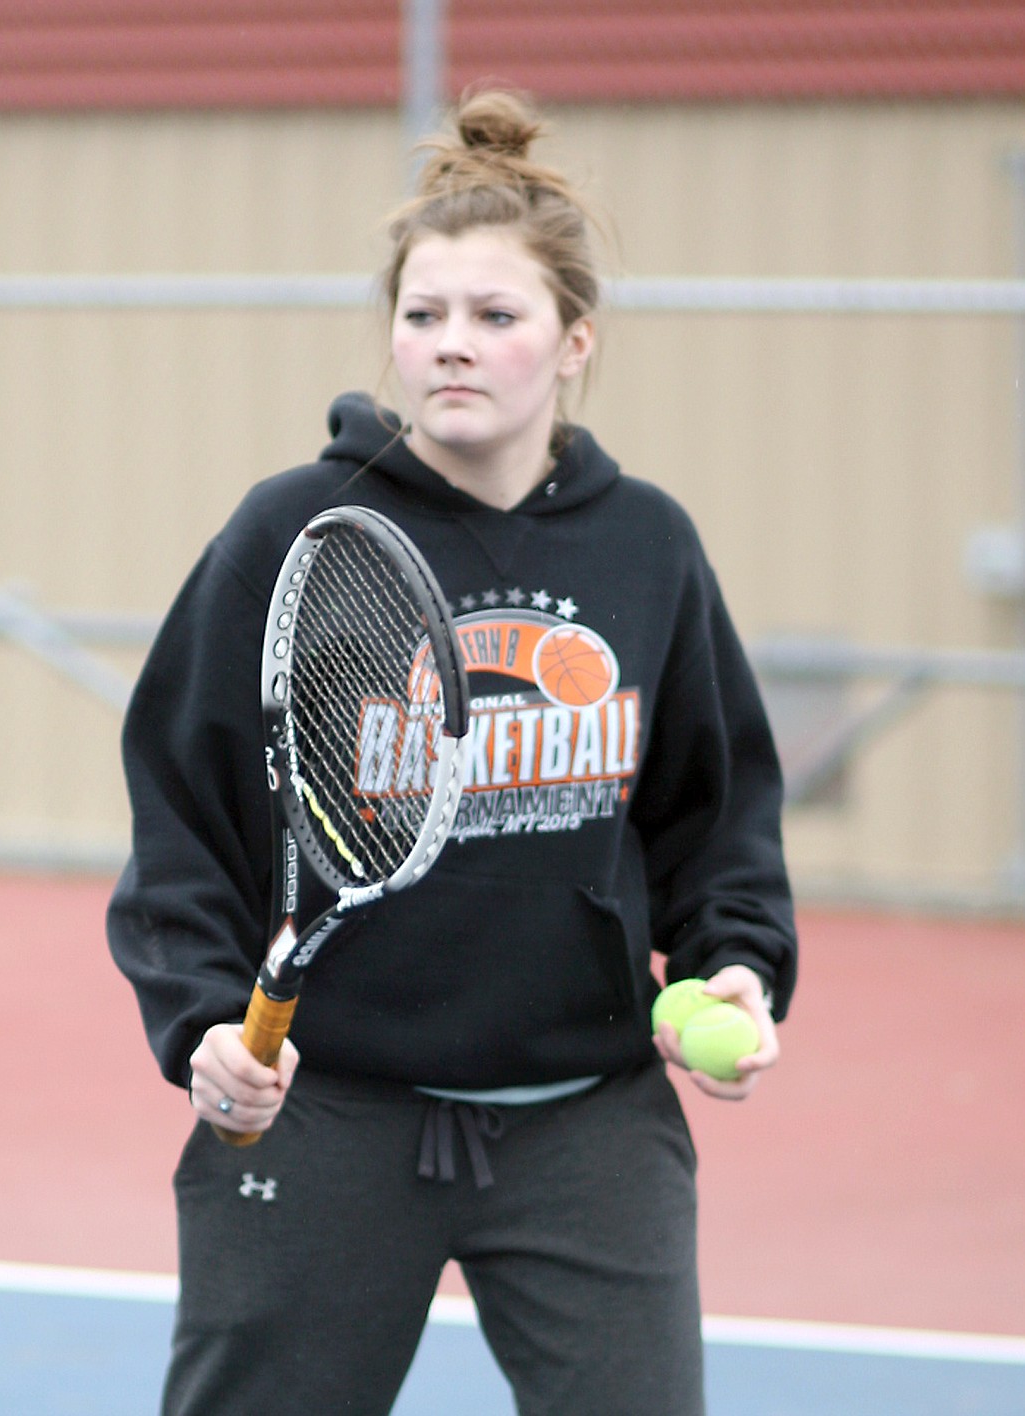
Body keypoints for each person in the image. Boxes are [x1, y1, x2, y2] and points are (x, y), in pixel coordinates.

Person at [108, 88, 798, 1416]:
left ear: (573, 341)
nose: (451, 347)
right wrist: (200, 1022)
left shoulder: (645, 543)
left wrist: (737, 966)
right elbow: (180, 809)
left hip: (586, 1118)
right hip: (321, 1113)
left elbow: (713, 813)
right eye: (422, 317)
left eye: (496, 317)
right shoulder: (295, 531)